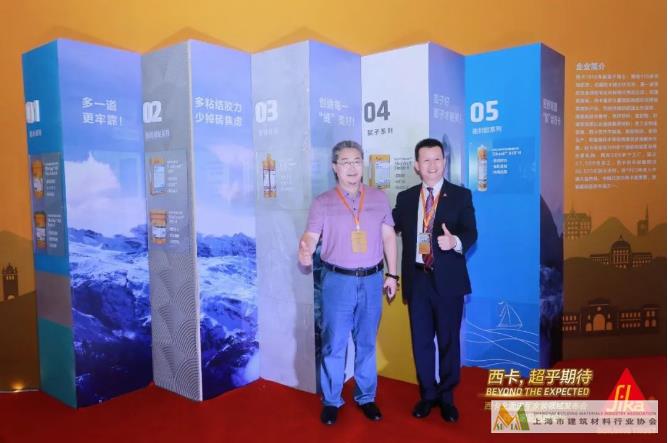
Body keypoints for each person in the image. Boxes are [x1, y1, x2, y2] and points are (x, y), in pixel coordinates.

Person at [298, 140, 398, 425]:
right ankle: (332, 400)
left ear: (362, 164)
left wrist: (392, 274)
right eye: (345, 162)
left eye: (356, 161)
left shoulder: (378, 198)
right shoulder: (322, 202)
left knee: (366, 342)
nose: (352, 167)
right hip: (337, 282)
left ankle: (366, 396)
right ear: (334, 167)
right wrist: (305, 249)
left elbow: (388, 237)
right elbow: (311, 237)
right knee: (334, 343)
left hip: (372, 279)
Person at [392, 138, 477, 423]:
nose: (432, 165)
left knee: (449, 340)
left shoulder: (461, 195)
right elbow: (387, 225)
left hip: (448, 281)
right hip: (418, 280)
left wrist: (455, 241)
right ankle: (428, 394)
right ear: (417, 165)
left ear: (444, 161)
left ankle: (447, 396)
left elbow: (471, 232)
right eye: (425, 160)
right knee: (422, 341)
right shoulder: (405, 198)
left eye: (437, 159)